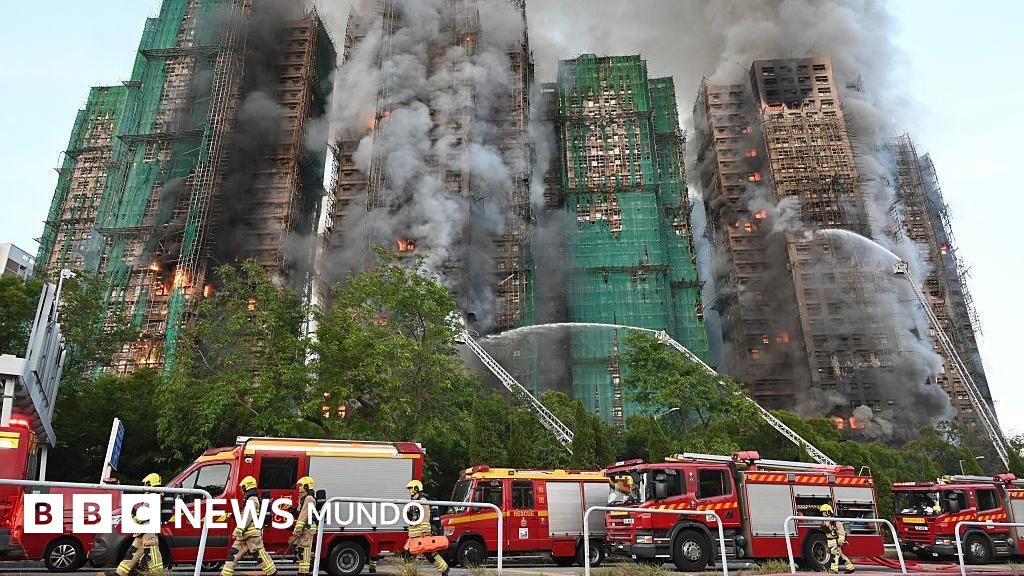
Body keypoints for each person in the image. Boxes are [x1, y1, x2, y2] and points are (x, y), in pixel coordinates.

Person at [107, 473, 164, 576]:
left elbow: (143, 516)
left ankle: (157, 574)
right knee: (132, 553)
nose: (144, 486)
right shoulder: (152, 495)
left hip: (148, 531)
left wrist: (133, 516)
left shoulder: (153, 495)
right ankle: (120, 573)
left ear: (149, 483)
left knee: (152, 552)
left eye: (145, 484)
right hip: (142, 530)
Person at [221, 476, 276, 576]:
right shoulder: (251, 499)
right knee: (232, 555)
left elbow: (247, 518)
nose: (242, 490)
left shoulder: (252, 500)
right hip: (244, 536)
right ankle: (225, 574)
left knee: (261, 556)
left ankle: (272, 573)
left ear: (247, 487)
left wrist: (237, 530)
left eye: (243, 487)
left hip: (252, 536)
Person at [405, 480, 449, 576]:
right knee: (411, 554)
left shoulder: (423, 501)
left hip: (420, 532)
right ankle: (444, 568)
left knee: (428, 553)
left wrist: (425, 531)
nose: (409, 491)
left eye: (410, 488)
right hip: (413, 533)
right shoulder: (413, 501)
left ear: (416, 489)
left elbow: (425, 516)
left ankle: (444, 568)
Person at [289, 476, 317, 576]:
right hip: (304, 528)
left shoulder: (309, 498)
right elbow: (300, 512)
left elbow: (304, 514)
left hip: (307, 529)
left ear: (306, 486)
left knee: (304, 550)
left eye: (301, 486)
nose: (299, 488)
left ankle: (304, 572)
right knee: (298, 548)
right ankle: (305, 568)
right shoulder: (303, 498)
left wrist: (298, 528)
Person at [820, 503, 854, 574]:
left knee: (834, 555)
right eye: (822, 512)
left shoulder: (835, 521)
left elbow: (841, 532)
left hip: (836, 541)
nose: (822, 513)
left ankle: (834, 570)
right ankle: (850, 568)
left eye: (824, 512)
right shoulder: (824, 521)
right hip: (830, 541)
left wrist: (841, 541)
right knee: (841, 556)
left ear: (828, 512)